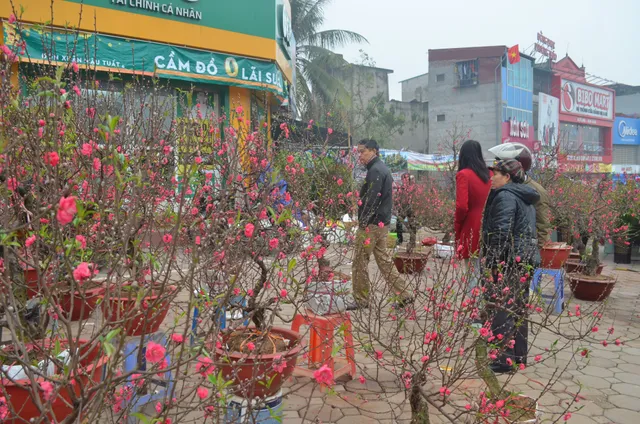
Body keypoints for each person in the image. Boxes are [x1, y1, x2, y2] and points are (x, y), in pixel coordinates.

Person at [481, 159, 541, 373]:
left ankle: (503, 359)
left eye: (496, 173)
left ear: (507, 177)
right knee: (518, 308)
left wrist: (494, 262)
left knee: (502, 308)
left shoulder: (505, 196)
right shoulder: (524, 196)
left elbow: (501, 232)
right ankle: (518, 357)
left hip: (509, 260)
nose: (492, 177)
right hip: (524, 259)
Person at [351, 139, 411, 309]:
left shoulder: (376, 171)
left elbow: (371, 200)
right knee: (384, 260)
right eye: (359, 152)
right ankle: (404, 293)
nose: (360, 156)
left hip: (372, 224)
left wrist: (363, 223)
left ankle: (361, 299)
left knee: (360, 261)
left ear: (373, 151)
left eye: (363, 151)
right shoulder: (382, 168)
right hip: (381, 223)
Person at [488, 142, 551, 249]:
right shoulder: (501, 189)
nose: (493, 176)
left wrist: (538, 253)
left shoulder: (536, 190)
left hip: (521, 251)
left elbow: (542, 226)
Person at [455, 140, 492, 287]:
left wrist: (458, 223)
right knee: (487, 268)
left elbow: (462, 206)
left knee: (472, 269)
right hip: (490, 223)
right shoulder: (490, 173)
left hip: (471, 224)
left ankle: (474, 305)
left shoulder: (464, 175)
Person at [395, 173, 416, 246]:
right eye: (403, 179)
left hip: (411, 209)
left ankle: (412, 241)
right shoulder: (400, 188)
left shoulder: (413, 188)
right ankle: (399, 239)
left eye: (406, 179)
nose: (404, 180)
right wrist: (397, 206)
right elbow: (397, 198)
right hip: (402, 209)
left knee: (412, 225)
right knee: (398, 223)